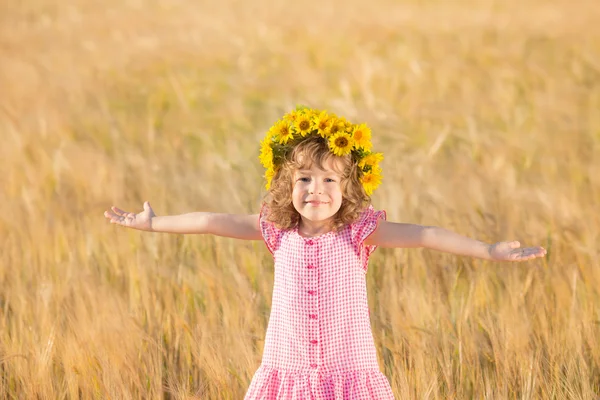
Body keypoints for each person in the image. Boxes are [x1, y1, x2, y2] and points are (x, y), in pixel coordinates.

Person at [104, 107, 546, 399]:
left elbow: (426, 234)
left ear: (350, 188)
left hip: (347, 374)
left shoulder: (358, 233)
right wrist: (154, 223)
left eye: (330, 180)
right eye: (304, 180)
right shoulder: (278, 231)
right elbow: (209, 221)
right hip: (289, 373)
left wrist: (487, 250)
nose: (316, 190)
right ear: (286, 185)